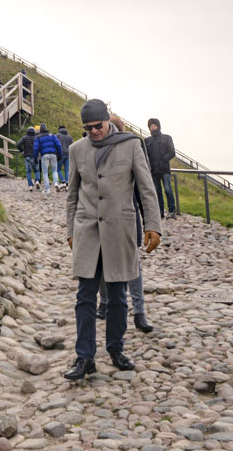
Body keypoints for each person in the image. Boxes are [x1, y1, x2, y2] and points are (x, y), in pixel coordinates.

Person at [64, 99, 161, 380]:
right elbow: (72, 194)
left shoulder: (131, 145)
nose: (94, 131)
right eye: (89, 128)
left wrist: (153, 225)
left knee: (118, 296)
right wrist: (70, 231)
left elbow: (146, 188)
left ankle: (116, 350)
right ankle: (84, 357)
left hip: (120, 230)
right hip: (87, 231)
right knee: (85, 296)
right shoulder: (76, 150)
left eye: (98, 125)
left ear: (107, 120)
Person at [97, 114, 154, 333]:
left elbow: (141, 187)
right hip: (106, 217)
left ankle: (133, 310)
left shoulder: (131, 149)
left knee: (126, 262)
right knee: (110, 262)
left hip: (125, 216)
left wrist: (149, 222)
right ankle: (129, 309)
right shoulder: (95, 150)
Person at [145, 117, 177, 217]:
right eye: (151, 126)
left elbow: (172, 152)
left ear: (158, 126)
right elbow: (145, 155)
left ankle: (172, 211)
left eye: (154, 125)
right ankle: (160, 212)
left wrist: (163, 160)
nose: (153, 127)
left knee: (168, 190)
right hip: (153, 170)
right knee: (157, 191)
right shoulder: (147, 140)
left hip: (164, 169)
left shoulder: (167, 138)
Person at [33, 123, 62, 195]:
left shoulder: (38, 137)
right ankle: (56, 183)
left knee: (45, 172)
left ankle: (47, 189)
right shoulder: (52, 135)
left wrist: (35, 157)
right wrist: (59, 154)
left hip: (44, 155)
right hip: (53, 154)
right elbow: (58, 145)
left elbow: (35, 148)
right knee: (54, 170)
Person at [17, 127, 39, 191]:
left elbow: (18, 144)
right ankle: (37, 181)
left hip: (27, 156)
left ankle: (30, 185)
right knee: (36, 170)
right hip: (35, 156)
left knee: (28, 172)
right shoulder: (36, 138)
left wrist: (22, 151)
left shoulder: (24, 137)